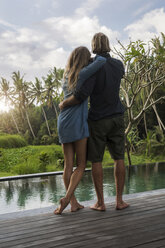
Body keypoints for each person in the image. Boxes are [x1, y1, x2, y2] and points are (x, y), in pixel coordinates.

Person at [59, 33, 129, 211]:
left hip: (98, 119)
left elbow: (82, 94)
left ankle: (100, 203)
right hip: (117, 116)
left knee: (96, 160)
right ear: (108, 44)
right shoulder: (118, 64)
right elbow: (118, 78)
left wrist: (64, 102)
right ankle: (119, 201)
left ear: (94, 46)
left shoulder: (93, 66)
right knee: (119, 158)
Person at [54, 46, 106, 214]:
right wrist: (92, 59)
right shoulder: (83, 74)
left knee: (67, 166)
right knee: (81, 165)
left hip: (63, 121)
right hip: (78, 123)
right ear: (84, 59)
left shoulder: (66, 76)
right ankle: (68, 198)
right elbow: (102, 60)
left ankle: (74, 203)